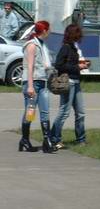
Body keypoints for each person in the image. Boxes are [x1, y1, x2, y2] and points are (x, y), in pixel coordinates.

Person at [18, 20, 56, 153]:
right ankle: (25, 140)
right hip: (32, 83)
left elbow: (43, 65)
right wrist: (29, 86)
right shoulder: (32, 45)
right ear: (44, 31)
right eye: (49, 29)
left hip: (43, 82)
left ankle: (47, 141)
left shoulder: (42, 45)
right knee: (30, 113)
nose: (50, 32)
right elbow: (29, 67)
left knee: (45, 112)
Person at [51, 24, 89, 150]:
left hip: (76, 82)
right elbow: (58, 65)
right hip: (68, 82)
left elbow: (71, 63)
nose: (81, 35)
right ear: (73, 34)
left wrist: (82, 64)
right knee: (64, 112)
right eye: (78, 33)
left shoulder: (74, 46)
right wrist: (78, 67)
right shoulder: (66, 48)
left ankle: (81, 139)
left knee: (81, 113)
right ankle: (54, 138)